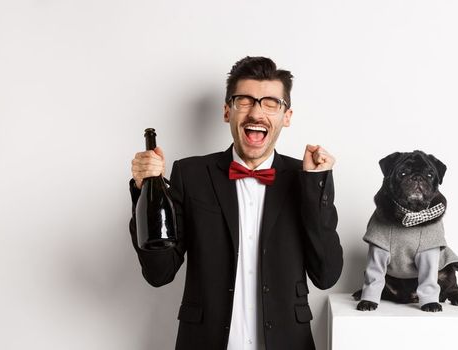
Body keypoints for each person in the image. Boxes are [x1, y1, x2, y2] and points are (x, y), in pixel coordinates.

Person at [127, 56, 343, 349]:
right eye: (245, 101)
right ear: (227, 111)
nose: (256, 112)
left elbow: (327, 275)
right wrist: (145, 192)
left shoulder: (303, 178)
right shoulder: (190, 174)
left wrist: (316, 186)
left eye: (270, 103)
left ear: (287, 116)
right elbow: (159, 273)